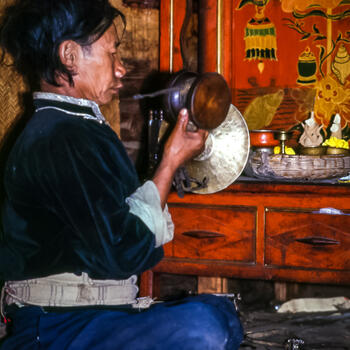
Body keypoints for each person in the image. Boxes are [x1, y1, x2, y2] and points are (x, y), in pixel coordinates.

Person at [0, 0, 244, 349]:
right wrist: (170, 162)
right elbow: (125, 252)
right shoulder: (62, 137)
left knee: (219, 312)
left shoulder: (73, 128)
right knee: (204, 326)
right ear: (69, 56)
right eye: (112, 53)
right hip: (55, 326)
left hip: (81, 318)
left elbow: (126, 239)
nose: (120, 69)